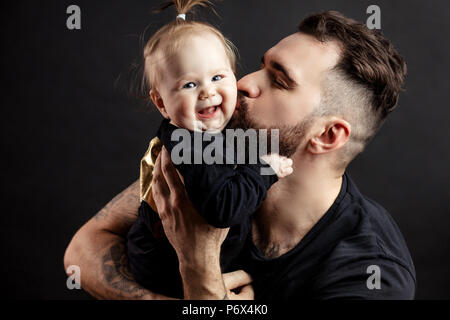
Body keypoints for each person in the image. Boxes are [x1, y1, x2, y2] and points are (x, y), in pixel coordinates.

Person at [64, 10, 416, 300]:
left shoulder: (370, 276)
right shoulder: (221, 154)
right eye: (262, 65)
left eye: (278, 81)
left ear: (327, 135)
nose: (244, 82)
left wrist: (200, 271)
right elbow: (82, 248)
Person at [126, 0, 293, 298]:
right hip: (167, 270)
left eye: (218, 77)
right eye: (189, 84)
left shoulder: (206, 131)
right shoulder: (188, 145)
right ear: (161, 103)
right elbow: (223, 209)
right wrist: (265, 169)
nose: (207, 91)